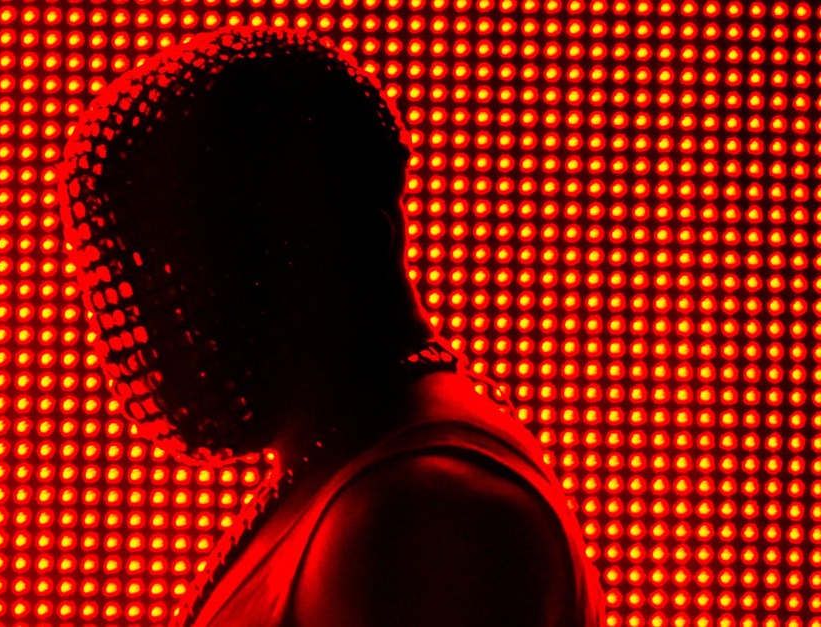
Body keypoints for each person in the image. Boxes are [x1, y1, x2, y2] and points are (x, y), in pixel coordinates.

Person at [58, 25, 605, 627]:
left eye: (209, 258)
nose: (163, 319)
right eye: (142, 271)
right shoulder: (345, 467)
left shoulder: (421, 505)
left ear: (360, 239)